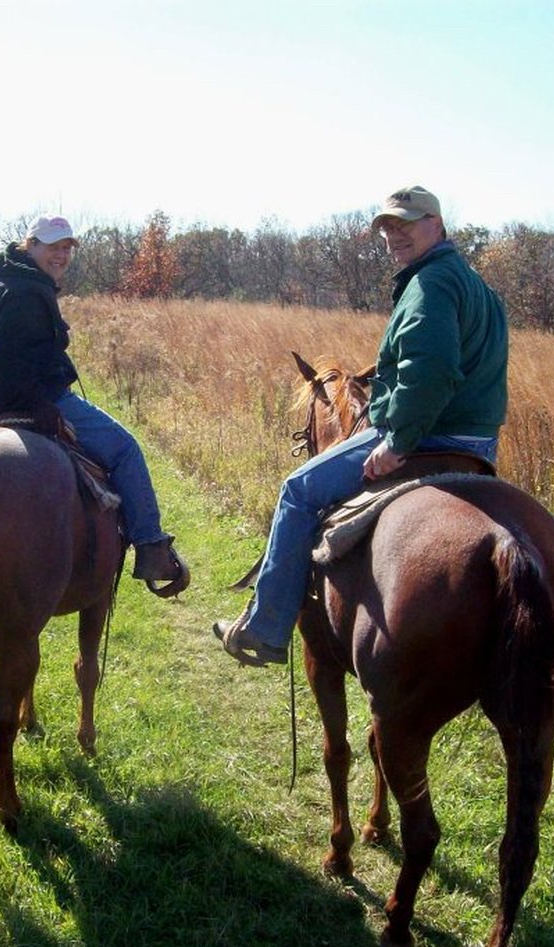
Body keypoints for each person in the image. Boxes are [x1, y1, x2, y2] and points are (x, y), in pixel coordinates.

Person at [214, 185, 508, 664]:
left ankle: (266, 628)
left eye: (406, 223)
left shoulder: (430, 285)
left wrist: (397, 442)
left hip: (425, 436)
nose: (395, 235)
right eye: (388, 226)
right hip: (479, 446)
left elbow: (429, 373)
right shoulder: (481, 290)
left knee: (298, 490)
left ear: (437, 223)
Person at [0, 215, 189, 597]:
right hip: (20, 400)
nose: (61, 255)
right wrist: (40, 406)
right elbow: (7, 365)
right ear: (30, 244)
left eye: (67, 247)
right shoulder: (26, 291)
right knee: (126, 449)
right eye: (52, 246)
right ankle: (151, 548)